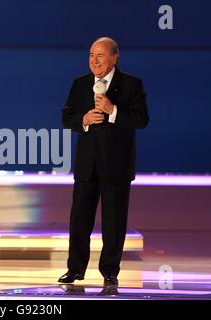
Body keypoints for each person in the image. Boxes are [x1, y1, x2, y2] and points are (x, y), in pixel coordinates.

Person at [59, 37, 149, 287]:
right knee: (79, 221)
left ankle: (110, 271)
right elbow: (67, 117)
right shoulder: (80, 84)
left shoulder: (131, 84)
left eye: (100, 55)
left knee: (114, 222)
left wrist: (113, 111)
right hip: (87, 165)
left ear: (114, 57)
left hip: (116, 165)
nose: (94, 61)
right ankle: (74, 270)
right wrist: (84, 119)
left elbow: (141, 120)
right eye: (91, 55)